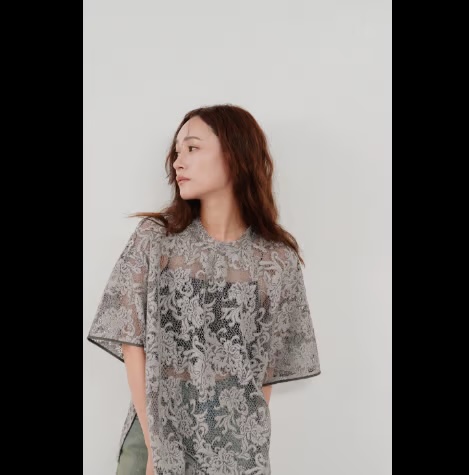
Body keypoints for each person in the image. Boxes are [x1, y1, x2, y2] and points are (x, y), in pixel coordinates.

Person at [87, 104, 321, 475]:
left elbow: (265, 370)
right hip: (155, 430)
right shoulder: (156, 239)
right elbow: (133, 345)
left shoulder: (276, 260)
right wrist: (155, 448)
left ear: (235, 154)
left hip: (233, 446)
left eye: (193, 148)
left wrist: (247, 447)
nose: (178, 161)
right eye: (176, 151)